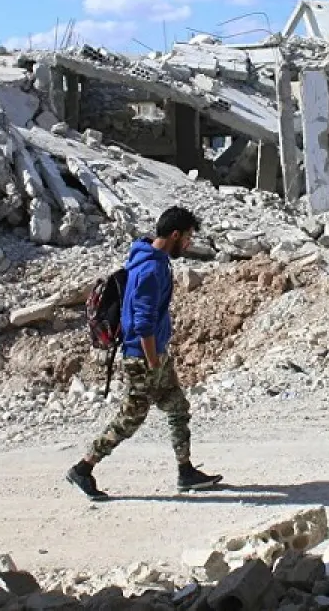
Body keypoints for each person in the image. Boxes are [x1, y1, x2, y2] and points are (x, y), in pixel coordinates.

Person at [67, 207, 222, 501]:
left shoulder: (154, 260)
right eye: (188, 237)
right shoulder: (150, 269)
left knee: (177, 406)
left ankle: (186, 471)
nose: (189, 244)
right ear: (175, 235)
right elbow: (142, 321)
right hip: (142, 357)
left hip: (154, 354)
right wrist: (152, 360)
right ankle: (83, 468)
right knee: (131, 417)